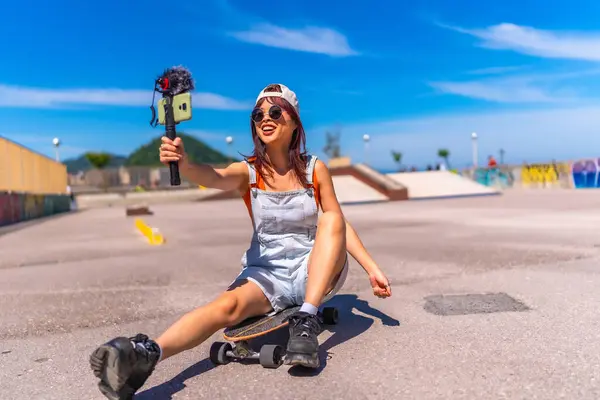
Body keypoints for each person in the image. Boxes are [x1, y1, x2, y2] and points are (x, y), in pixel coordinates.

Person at [88, 83, 392, 400]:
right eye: (258, 114)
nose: (266, 118)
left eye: (276, 111)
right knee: (226, 306)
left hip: (315, 268)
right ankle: (145, 355)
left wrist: (371, 268)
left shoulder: (315, 169)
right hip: (268, 273)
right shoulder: (248, 172)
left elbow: (339, 224)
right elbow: (215, 177)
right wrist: (186, 164)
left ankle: (307, 319)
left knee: (330, 216)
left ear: (294, 121)